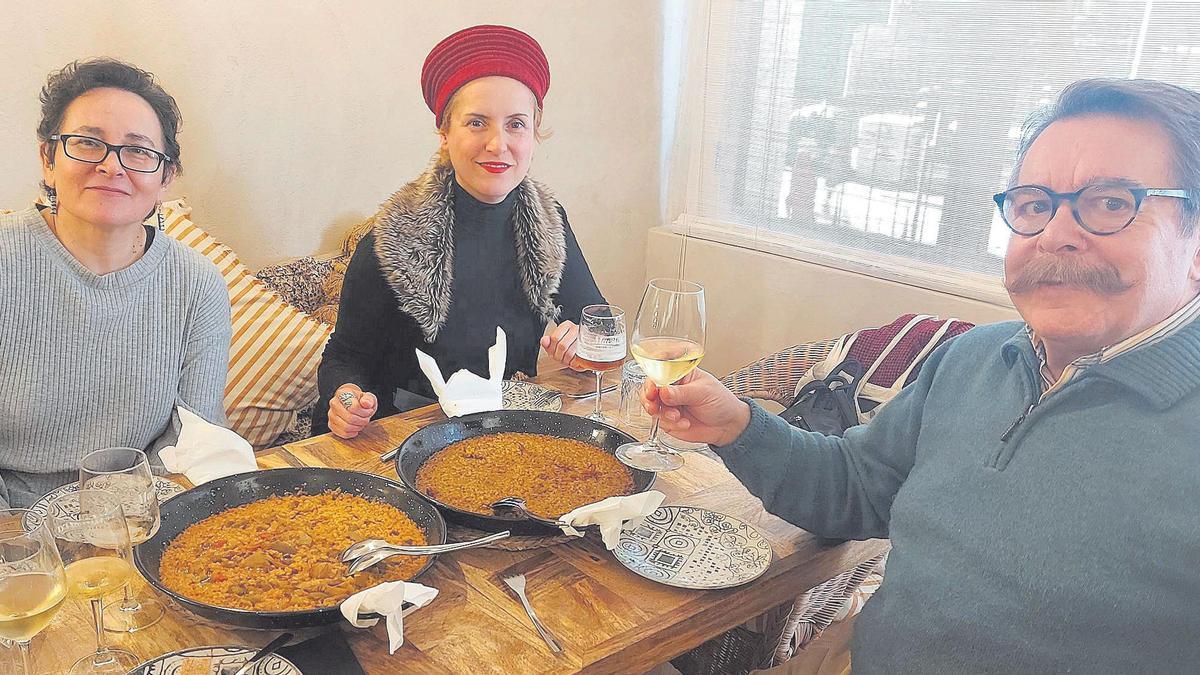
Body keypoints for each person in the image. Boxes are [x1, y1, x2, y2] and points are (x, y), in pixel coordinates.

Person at [642, 78, 1200, 673]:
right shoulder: (972, 359)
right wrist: (738, 425)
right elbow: (855, 488)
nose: (1056, 234)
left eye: (1112, 203)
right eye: (1035, 205)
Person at [317, 25, 605, 438]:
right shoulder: (393, 237)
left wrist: (582, 346)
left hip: (503, 428)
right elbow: (344, 357)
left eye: (516, 124)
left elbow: (597, 325)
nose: (497, 144)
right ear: (445, 131)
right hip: (401, 437)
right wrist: (347, 399)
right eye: (476, 122)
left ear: (535, 133)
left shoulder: (549, 221)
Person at [0, 59, 230, 508]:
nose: (111, 166)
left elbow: (194, 434)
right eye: (87, 143)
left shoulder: (197, 284)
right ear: (48, 159)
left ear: (165, 178)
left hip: (142, 510)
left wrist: (128, 525)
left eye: (138, 151)